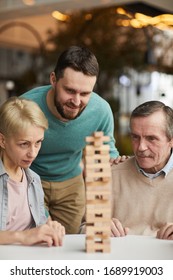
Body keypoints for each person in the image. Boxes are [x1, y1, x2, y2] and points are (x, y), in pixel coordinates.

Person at [20, 45, 125, 234]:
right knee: (38, 244)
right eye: (69, 91)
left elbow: (106, 156)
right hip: (29, 181)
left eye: (85, 93)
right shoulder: (26, 107)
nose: (76, 101)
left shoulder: (101, 111)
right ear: (53, 80)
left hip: (71, 185)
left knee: (68, 245)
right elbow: (8, 156)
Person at [0, 97, 65, 246]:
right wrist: (22, 237)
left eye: (38, 142)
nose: (33, 153)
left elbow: (40, 223)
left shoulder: (33, 180)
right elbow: (27, 235)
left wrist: (50, 227)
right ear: (2, 141)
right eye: (24, 144)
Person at [111, 100, 173, 240]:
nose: (141, 147)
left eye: (151, 139)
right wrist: (99, 228)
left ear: (171, 140)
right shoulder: (112, 175)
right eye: (135, 137)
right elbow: (84, 228)